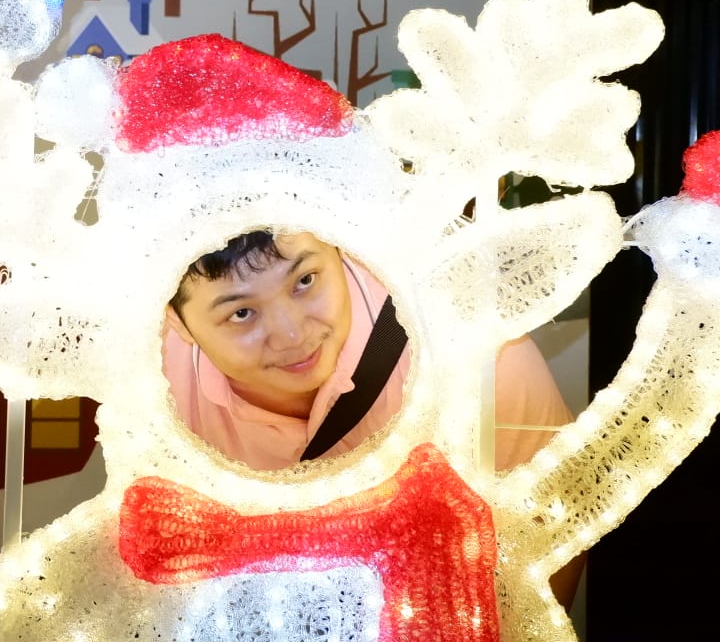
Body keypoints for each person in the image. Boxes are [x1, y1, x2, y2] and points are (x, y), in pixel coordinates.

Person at [162, 228, 585, 609]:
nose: (292, 335)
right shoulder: (150, 386)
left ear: (338, 244)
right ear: (175, 321)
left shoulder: (469, 347)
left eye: (305, 281)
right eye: (241, 314)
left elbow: (549, 525)